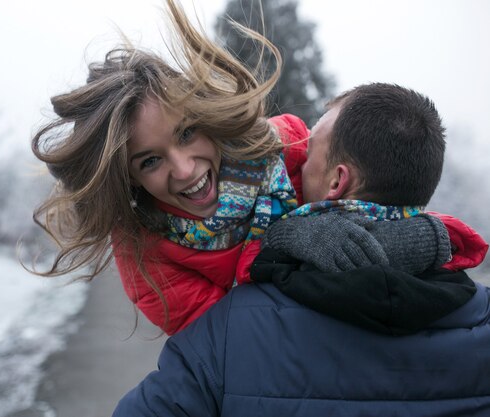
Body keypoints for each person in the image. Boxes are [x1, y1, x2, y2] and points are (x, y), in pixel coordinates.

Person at [31, 0, 474, 335]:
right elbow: (238, 342)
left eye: (187, 134)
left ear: (206, 117)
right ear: (127, 177)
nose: (184, 170)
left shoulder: (290, 145)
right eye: (150, 160)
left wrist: (416, 237)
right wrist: (284, 245)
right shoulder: (145, 255)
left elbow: (391, 211)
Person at [111, 83, 490, 417]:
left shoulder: (229, 336)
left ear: (337, 182)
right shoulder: (480, 317)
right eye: (150, 161)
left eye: (308, 153)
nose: (292, 165)